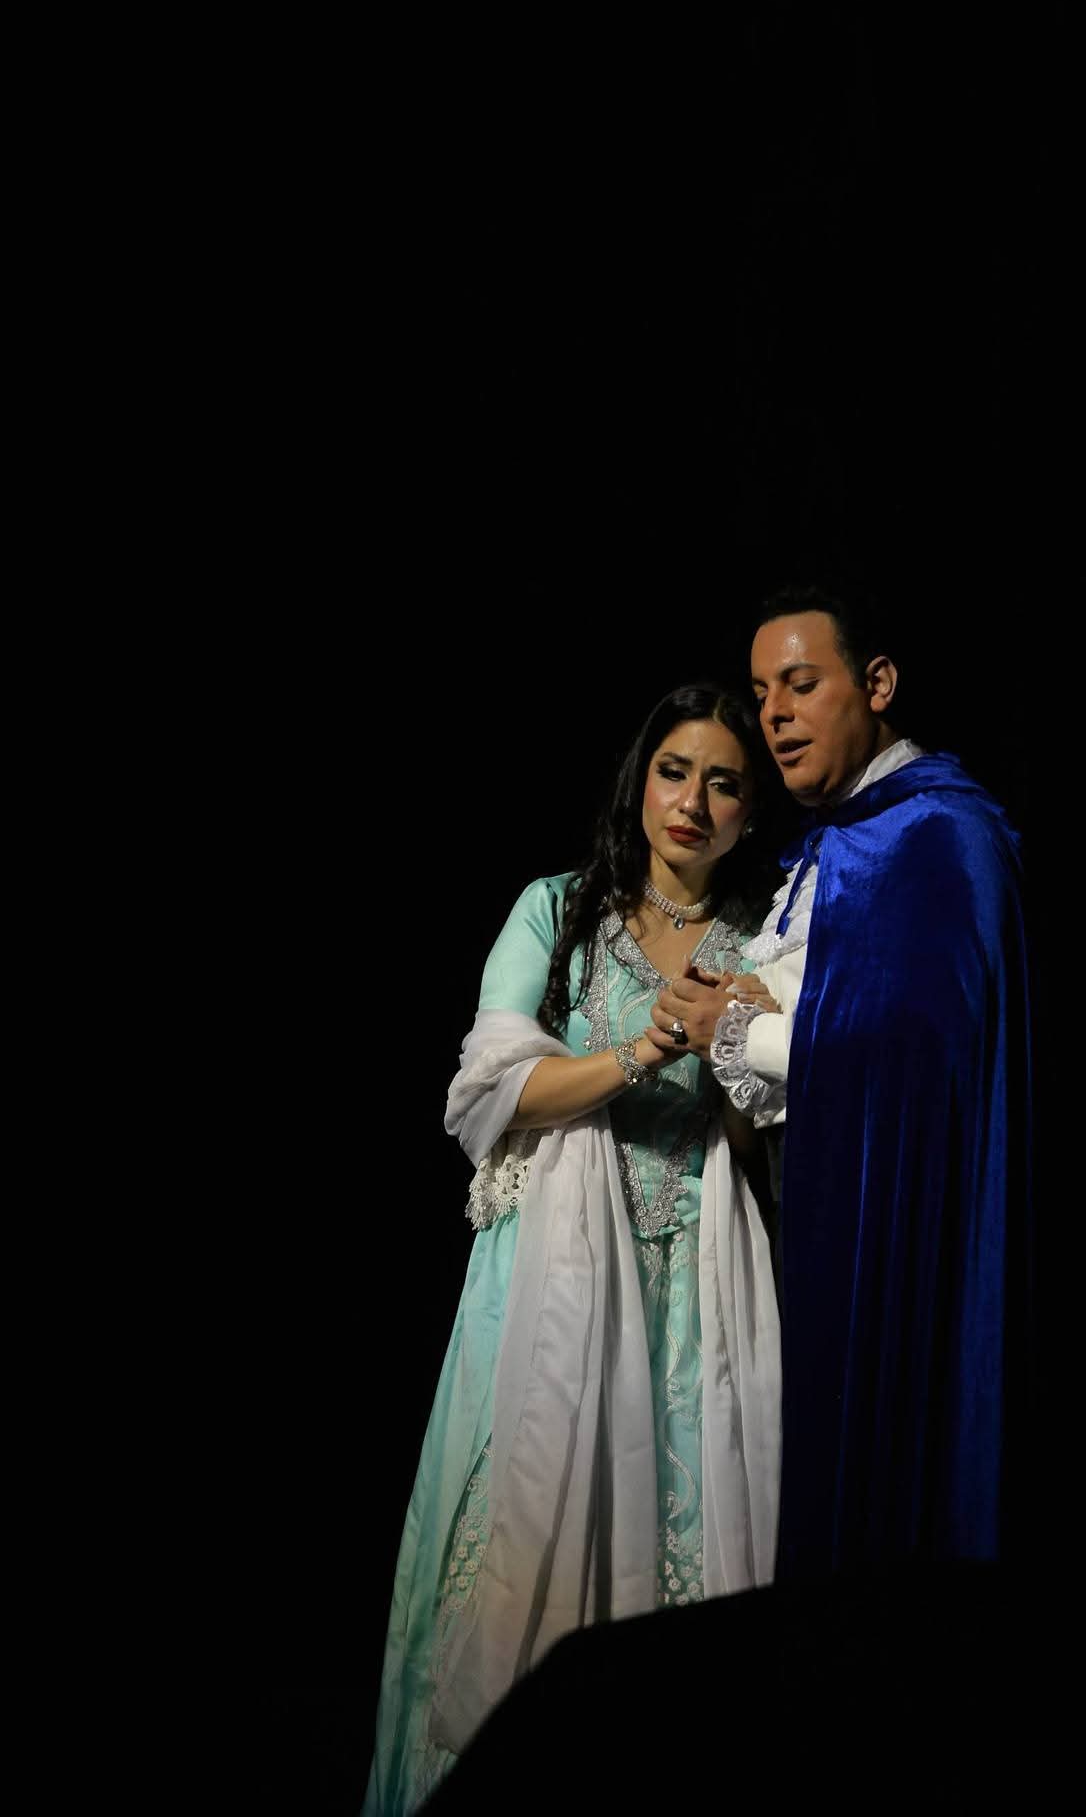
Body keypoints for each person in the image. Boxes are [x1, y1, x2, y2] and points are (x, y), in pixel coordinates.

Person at [362, 684, 782, 1816]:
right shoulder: (557, 908)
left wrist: (735, 1041)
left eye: (724, 782)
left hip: (695, 1293)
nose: (692, 800)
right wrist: (645, 1045)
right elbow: (488, 1094)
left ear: (749, 810)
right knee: (515, 1570)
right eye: (674, 771)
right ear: (640, 780)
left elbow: (758, 1142)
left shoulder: (767, 939)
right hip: (550, 1284)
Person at [658, 590, 1032, 1578]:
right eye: (760, 693)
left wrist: (736, 1030)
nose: (774, 713)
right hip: (819, 1215)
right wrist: (746, 1006)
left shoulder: (939, 833)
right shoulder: (836, 843)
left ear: (876, 684)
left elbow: (922, 1055)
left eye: (800, 683)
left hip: (901, 1226)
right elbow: (848, 1008)